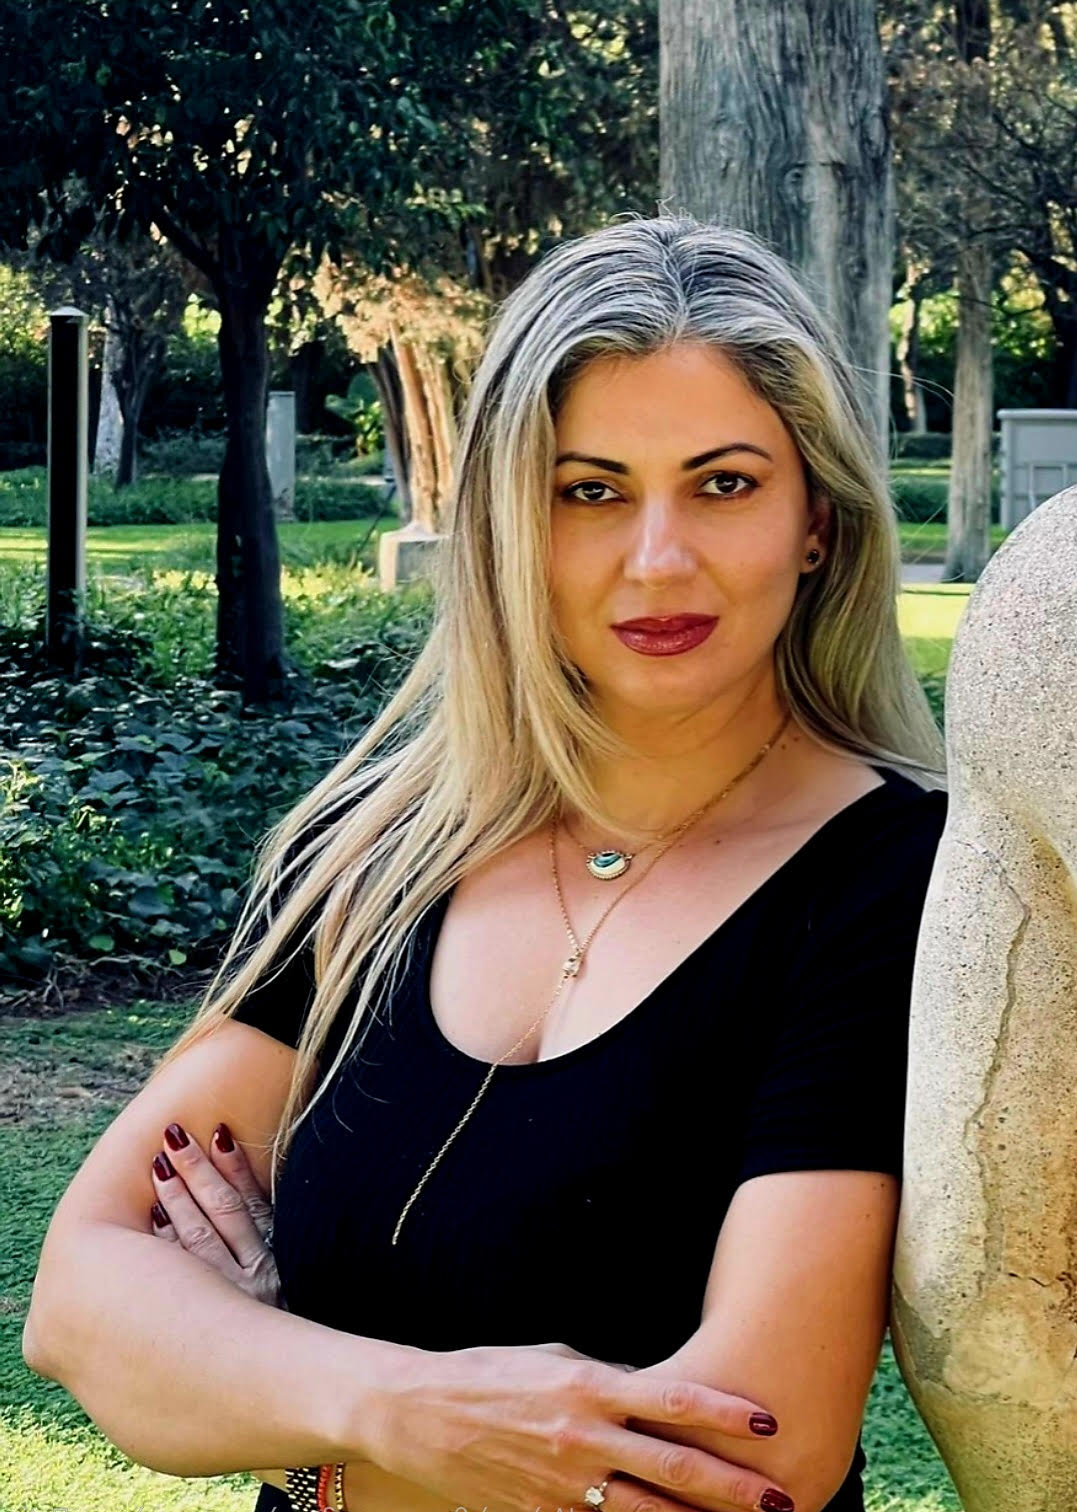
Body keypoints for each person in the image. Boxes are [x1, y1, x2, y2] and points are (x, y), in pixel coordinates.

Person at [23, 214, 948, 1512]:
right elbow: (81, 1296)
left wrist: (266, 1386)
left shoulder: (902, 884)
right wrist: (389, 1411)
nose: (658, 558)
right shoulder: (375, 858)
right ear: (512, 523)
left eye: (725, 484)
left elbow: (746, 1452)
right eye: (590, 491)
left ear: (818, 522)